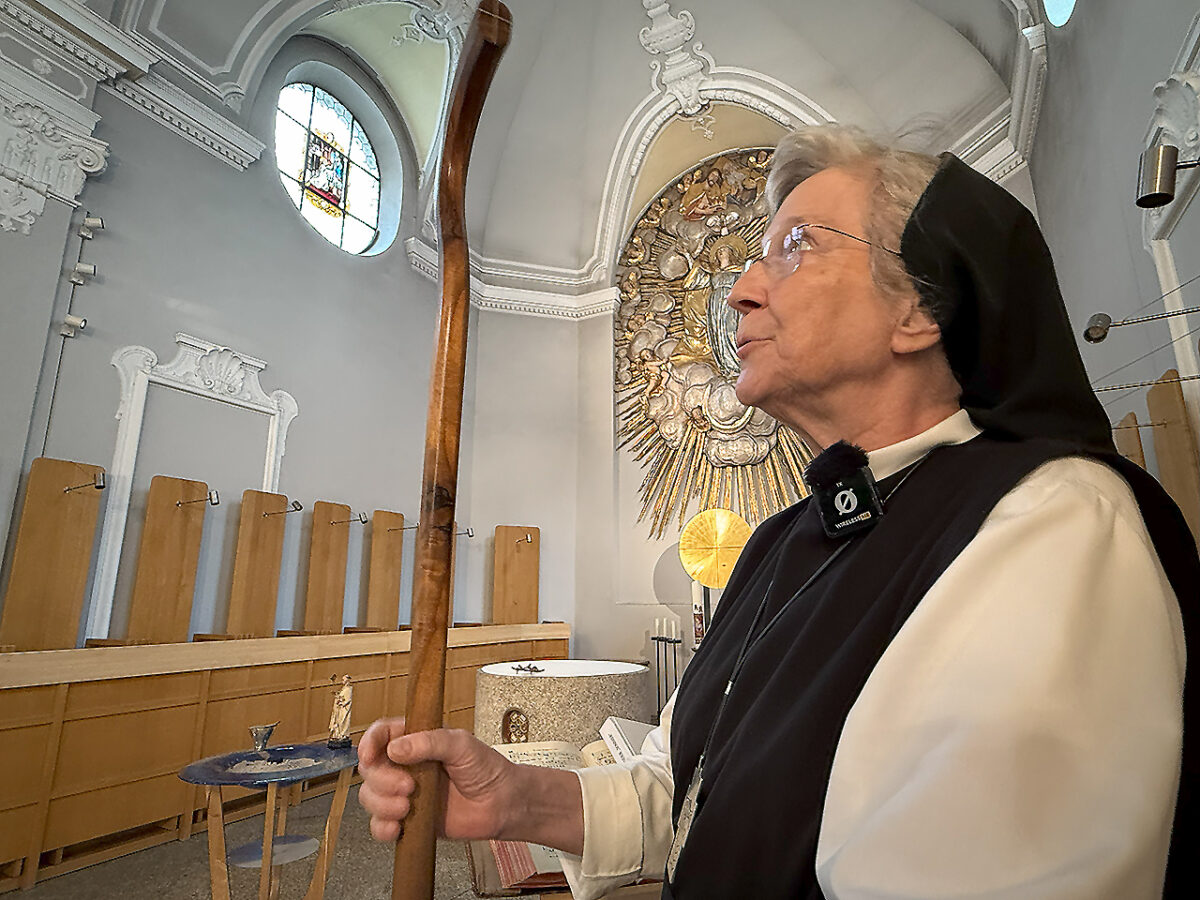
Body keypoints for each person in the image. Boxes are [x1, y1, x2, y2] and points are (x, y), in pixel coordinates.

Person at [358, 125, 1200, 899]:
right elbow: (697, 796)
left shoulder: (1047, 525)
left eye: (794, 248)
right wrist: (520, 798)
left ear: (919, 306)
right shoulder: (777, 544)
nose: (741, 294)